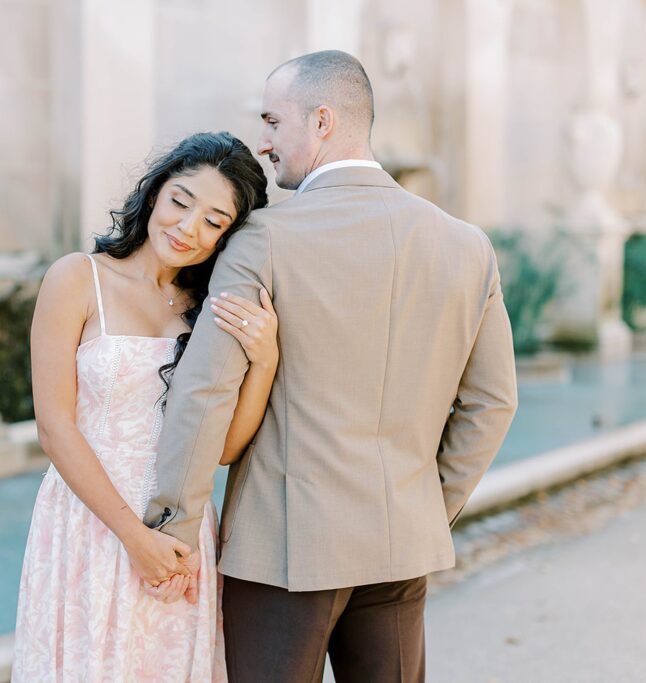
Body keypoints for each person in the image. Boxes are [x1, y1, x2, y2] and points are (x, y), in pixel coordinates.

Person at [145, 51, 519, 682]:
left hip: (282, 554)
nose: (263, 142)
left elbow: (204, 391)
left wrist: (173, 530)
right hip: (399, 546)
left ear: (320, 121)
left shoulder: (263, 237)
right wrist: (424, 507)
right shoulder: (466, 245)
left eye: (271, 120)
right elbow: (491, 404)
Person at [12, 131, 273, 682]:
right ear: (155, 192)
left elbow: (223, 448)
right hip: (91, 523)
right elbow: (54, 426)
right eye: (181, 202)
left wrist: (265, 360)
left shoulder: (208, 309)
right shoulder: (77, 278)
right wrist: (135, 539)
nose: (187, 228)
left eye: (213, 221)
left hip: (178, 528)